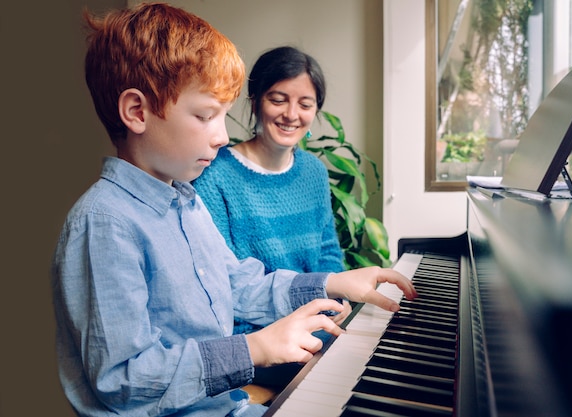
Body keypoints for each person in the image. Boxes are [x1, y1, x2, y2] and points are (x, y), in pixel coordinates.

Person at [50, 3, 417, 417]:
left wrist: (333, 281)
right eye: (206, 116)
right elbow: (123, 378)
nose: (222, 136)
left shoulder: (184, 202)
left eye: (223, 116)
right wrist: (256, 348)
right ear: (138, 112)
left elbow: (239, 285)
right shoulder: (105, 223)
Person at [192, 46, 350, 334]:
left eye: (305, 105)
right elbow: (227, 282)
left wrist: (335, 298)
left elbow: (329, 253)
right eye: (278, 100)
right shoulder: (214, 176)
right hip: (256, 335)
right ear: (255, 103)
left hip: (317, 318)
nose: (291, 115)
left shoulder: (314, 172)